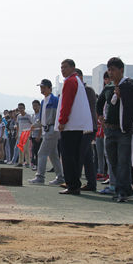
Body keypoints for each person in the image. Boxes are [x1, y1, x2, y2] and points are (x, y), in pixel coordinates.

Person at [98, 57, 133, 202]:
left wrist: (126, 99)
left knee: (123, 161)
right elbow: (99, 102)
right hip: (109, 129)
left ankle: (122, 191)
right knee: (113, 161)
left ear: (121, 70)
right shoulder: (109, 87)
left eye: (113, 70)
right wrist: (100, 116)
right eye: (109, 70)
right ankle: (124, 188)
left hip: (124, 130)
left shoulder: (130, 86)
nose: (110, 73)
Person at [54, 59, 93, 195]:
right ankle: (74, 183)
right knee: (74, 155)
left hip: (70, 125)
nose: (62, 70)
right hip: (77, 124)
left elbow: (66, 102)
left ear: (72, 68)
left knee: (68, 155)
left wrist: (62, 120)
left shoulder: (70, 81)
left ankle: (72, 184)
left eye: (65, 67)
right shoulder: (77, 81)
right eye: (61, 67)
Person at [28, 79, 64, 185]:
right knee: (53, 155)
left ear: (50, 88)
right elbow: (42, 118)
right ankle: (60, 177)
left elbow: (56, 116)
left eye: (43, 87)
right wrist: (35, 125)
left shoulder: (55, 100)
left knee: (42, 153)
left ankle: (40, 177)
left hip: (52, 130)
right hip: (46, 129)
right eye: (41, 87)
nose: (41, 89)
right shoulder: (44, 101)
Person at [75, 68, 98, 192]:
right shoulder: (80, 91)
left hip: (88, 127)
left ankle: (75, 182)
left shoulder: (87, 91)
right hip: (83, 127)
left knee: (80, 154)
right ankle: (91, 183)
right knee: (87, 156)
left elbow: (85, 109)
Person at [15, 103, 32, 167]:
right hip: (20, 134)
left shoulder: (28, 116)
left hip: (26, 133)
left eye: (22, 108)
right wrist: (17, 134)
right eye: (19, 108)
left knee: (26, 149)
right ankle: (20, 162)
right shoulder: (18, 116)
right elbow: (18, 125)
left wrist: (30, 132)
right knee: (20, 149)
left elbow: (31, 123)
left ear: (24, 108)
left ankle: (27, 162)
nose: (21, 109)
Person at [30, 100, 42, 171]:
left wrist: (39, 136)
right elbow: (32, 126)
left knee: (38, 151)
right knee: (34, 150)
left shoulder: (40, 114)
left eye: (36, 105)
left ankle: (38, 165)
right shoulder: (33, 115)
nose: (34, 107)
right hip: (33, 135)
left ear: (39, 106)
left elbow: (41, 126)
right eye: (33, 105)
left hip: (38, 136)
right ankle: (35, 164)